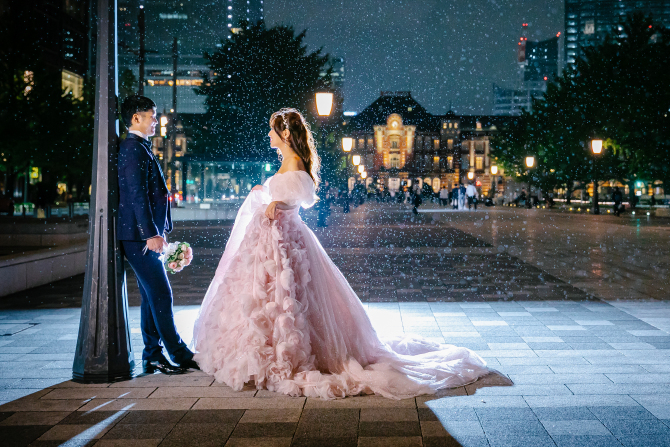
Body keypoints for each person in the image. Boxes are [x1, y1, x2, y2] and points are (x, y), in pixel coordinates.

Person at [193, 108, 489, 399]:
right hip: (269, 242)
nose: (269, 134)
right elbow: (286, 195)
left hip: (287, 243)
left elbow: (302, 198)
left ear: (285, 133)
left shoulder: (295, 164)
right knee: (270, 296)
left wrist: (280, 205)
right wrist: (265, 194)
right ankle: (261, 347)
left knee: (290, 297)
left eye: (273, 129)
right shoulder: (287, 162)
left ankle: (284, 350)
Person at [118, 96, 197, 375]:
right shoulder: (132, 148)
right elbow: (137, 195)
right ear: (135, 118)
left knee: (152, 296)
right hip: (139, 238)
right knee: (161, 294)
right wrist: (151, 233)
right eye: (151, 116)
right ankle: (178, 352)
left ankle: (153, 355)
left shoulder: (139, 147)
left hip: (141, 235)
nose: (155, 121)